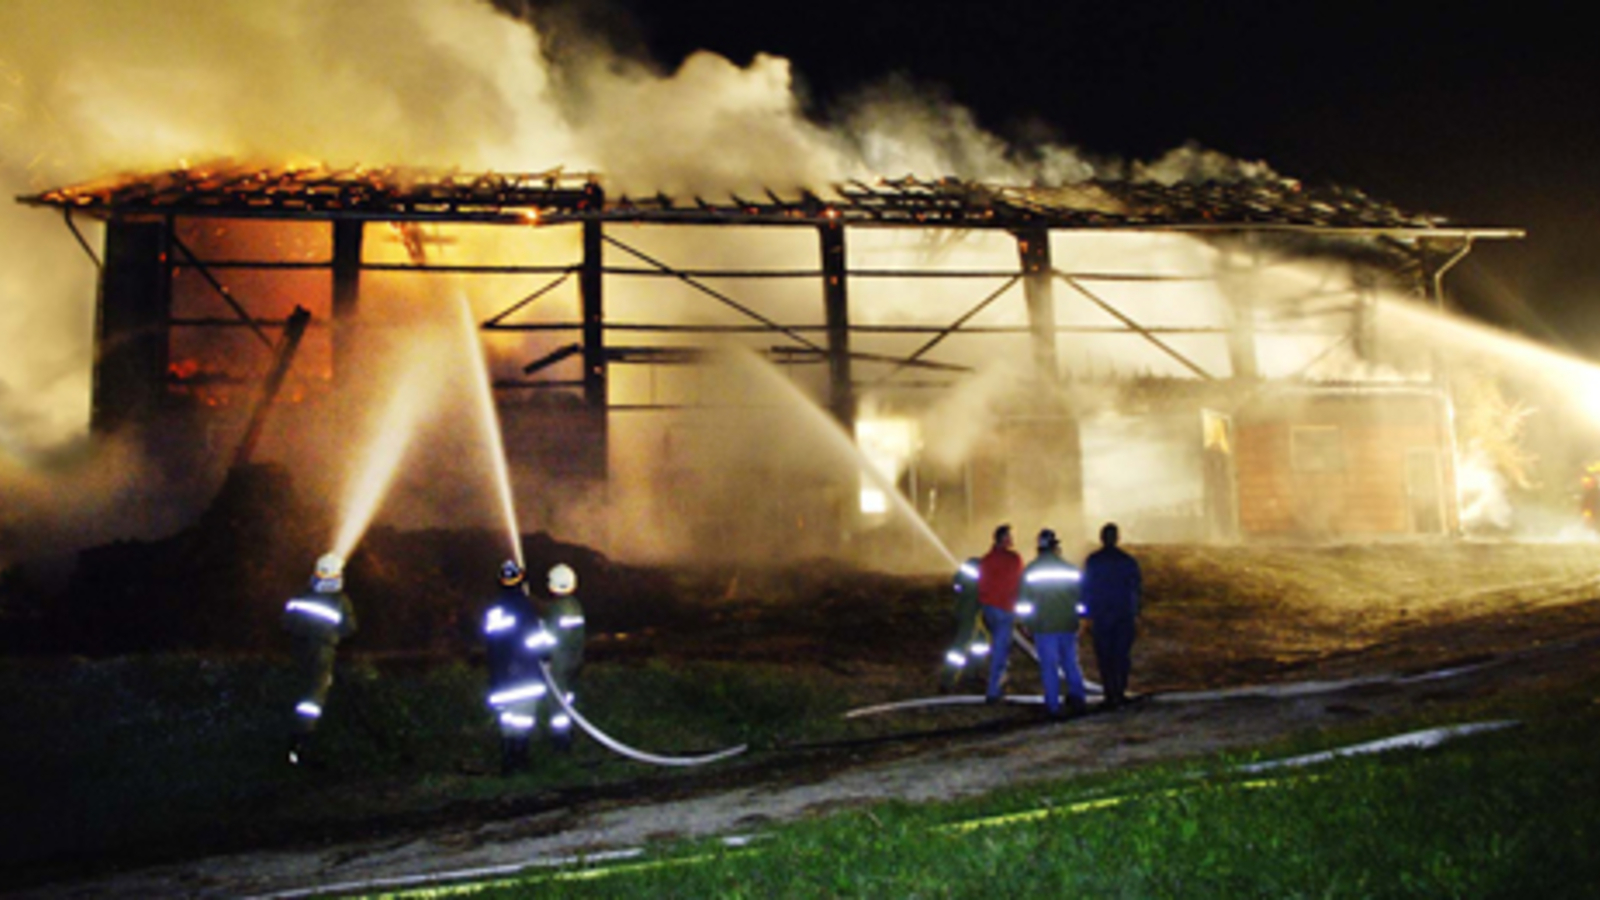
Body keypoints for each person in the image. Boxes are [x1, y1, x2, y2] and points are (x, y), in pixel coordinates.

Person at [281, 553, 357, 766]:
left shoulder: (300, 595)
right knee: (314, 698)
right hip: (322, 652)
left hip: (296, 650)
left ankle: (294, 743)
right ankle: (301, 745)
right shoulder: (340, 601)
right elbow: (349, 628)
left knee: (297, 690)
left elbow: (285, 622)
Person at [483, 559, 549, 774]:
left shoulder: (493, 611)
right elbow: (535, 641)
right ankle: (521, 762)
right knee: (523, 720)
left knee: (507, 720)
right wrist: (546, 655)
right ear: (521, 581)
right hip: (524, 677)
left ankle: (507, 762)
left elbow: (491, 646)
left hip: (501, 679)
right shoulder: (525, 607)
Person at [1019, 528, 1087, 718]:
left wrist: (1026, 623)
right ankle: (1078, 698)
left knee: (1049, 667)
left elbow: (1024, 603)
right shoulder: (1071, 569)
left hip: (1044, 627)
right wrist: (1080, 619)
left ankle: (1053, 705)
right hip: (1067, 624)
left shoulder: (1030, 571)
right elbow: (1081, 599)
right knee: (1071, 663)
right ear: (1056, 546)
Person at [1080, 522, 1143, 709]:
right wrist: (1135, 612)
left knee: (1105, 656)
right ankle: (1120, 691)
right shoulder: (1127, 561)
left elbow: (1086, 589)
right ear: (1117, 538)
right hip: (1123, 614)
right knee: (1121, 655)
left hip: (1101, 615)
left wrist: (1087, 614)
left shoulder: (1093, 561)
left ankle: (1109, 692)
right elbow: (1136, 588)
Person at [977, 524, 1024, 704]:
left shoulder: (986, 560)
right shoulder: (1014, 559)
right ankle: (994, 691)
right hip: (1005, 609)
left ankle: (1001, 681)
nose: (1012, 539)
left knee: (999, 646)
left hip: (989, 609)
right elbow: (1020, 583)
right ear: (1004, 539)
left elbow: (981, 585)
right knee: (1000, 650)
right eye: (1010, 536)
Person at [541, 563, 586, 752]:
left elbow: (550, 638)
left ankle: (561, 744)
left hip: (558, 662)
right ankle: (568, 735)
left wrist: (540, 630)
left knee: (557, 703)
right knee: (567, 698)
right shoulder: (575, 606)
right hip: (573, 660)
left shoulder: (556, 609)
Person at [938, 557, 988, 693]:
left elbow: (957, 583)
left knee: (981, 642)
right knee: (961, 646)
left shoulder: (973, 564)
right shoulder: (984, 568)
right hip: (969, 613)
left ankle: (971, 674)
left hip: (965, 610)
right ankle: (947, 680)